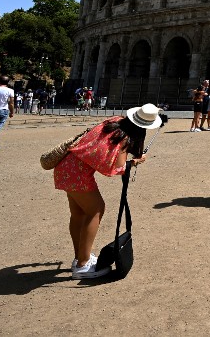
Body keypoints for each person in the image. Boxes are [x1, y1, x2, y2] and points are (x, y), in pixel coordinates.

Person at [53, 103, 161, 279]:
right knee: (96, 210)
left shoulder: (115, 121)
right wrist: (135, 162)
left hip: (66, 165)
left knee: (79, 214)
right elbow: (118, 168)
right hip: (78, 174)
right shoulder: (124, 137)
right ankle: (82, 265)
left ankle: (81, 257)